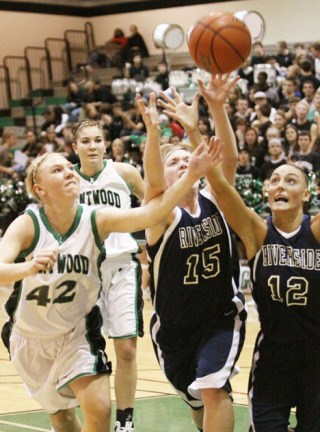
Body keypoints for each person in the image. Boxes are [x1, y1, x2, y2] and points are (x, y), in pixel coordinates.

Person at [0, 145, 213, 432]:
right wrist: (28, 268)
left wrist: (189, 177)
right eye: (57, 169)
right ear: (40, 189)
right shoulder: (28, 224)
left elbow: (150, 215)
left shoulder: (96, 218)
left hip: (77, 334)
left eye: (67, 166)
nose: (68, 172)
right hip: (30, 338)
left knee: (100, 411)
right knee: (63, 419)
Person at [137, 74, 246, 432]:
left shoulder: (216, 198)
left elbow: (227, 158)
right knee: (196, 398)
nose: (184, 162)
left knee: (214, 388)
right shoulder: (161, 215)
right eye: (175, 162)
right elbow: (152, 185)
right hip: (173, 329)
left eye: (189, 158)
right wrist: (154, 136)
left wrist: (214, 109)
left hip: (219, 317)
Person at [204, 144, 320, 432]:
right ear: (267, 192)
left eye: (291, 181)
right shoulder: (257, 232)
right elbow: (220, 188)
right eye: (275, 181)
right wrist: (196, 132)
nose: (280, 185)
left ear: (306, 195)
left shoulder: (315, 231)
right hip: (273, 359)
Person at [72, 119, 145, 432]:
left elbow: (155, 200)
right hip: (82, 273)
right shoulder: (66, 179)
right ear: (75, 147)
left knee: (126, 347)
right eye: (85, 141)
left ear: (106, 145)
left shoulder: (125, 173)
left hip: (121, 266)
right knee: (80, 351)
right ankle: (75, 415)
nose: (92, 146)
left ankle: (125, 421)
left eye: (97, 140)